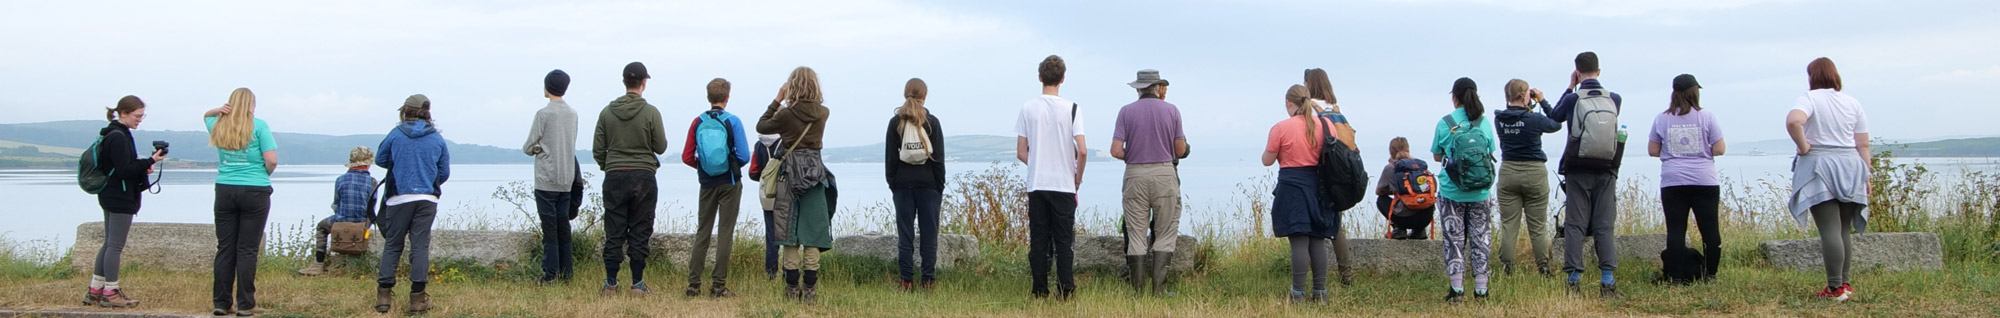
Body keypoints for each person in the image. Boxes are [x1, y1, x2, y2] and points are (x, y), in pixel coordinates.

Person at [1786, 58, 1869, 302]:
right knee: (1843, 229)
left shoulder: (1809, 98)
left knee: (1829, 230)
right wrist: (1867, 175)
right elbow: (1862, 143)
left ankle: (1834, 288)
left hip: (1821, 164)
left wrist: (1803, 146)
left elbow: (1794, 121)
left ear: (1812, 77)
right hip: (1852, 165)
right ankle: (1845, 283)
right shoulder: (1852, 102)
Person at [1548, 52, 1628, 298]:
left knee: (1575, 225)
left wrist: (1570, 87)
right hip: (1606, 168)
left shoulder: (1573, 99)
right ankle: (1608, 282)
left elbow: (1554, 118)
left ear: (1578, 72)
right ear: (1599, 71)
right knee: (1604, 225)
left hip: (1578, 168)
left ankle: (1573, 282)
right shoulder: (1614, 99)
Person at [761, 66, 836, 304]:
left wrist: (777, 100)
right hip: (815, 176)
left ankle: (792, 289)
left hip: (789, 176)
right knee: (813, 234)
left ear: (792, 86)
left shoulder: (785, 115)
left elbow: (762, 127)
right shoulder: (823, 112)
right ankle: (811, 291)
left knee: (788, 234)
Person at [593, 61, 669, 296]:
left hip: (615, 175)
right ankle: (637, 283)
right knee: (640, 228)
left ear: (624, 81)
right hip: (643, 176)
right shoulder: (651, 112)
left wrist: (610, 166)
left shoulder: (606, 112)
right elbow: (661, 146)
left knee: (614, 229)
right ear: (644, 83)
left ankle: (610, 282)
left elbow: (598, 149)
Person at [1111, 69, 1188, 296]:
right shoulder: (1172, 110)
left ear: (1138, 89)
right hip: (1164, 174)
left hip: (1134, 174)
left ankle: (1138, 290)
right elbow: (1180, 149)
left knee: (1135, 232)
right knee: (1165, 231)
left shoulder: (1125, 112)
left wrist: (1135, 154)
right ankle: (1159, 289)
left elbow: (1116, 150)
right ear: (1157, 88)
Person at [1016, 55, 1087, 300]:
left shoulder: (1027, 108)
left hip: (1037, 182)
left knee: (1038, 239)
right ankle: (1065, 288)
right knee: (1064, 241)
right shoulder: (1072, 109)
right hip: (1063, 183)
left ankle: (1039, 289)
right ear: (1063, 78)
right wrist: (1077, 175)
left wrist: (1037, 162)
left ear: (1040, 77)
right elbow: (1083, 149)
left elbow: (1021, 152)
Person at [373, 94, 451, 314]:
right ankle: (417, 299)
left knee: (393, 245)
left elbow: (380, 159)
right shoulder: (437, 139)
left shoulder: (396, 134)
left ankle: (384, 297)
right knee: (420, 246)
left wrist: (400, 165)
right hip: (427, 199)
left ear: (405, 111)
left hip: (399, 197)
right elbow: (443, 172)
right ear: (428, 113)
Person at [203, 88, 278, 317]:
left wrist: (219, 110)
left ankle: (221, 302)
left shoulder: (218, 124)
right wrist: (264, 174)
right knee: (247, 249)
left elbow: (206, 116)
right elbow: (271, 160)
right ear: (251, 104)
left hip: (224, 188)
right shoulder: (260, 125)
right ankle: (246, 304)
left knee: (225, 248)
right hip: (254, 189)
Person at [86, 95, 165, 308]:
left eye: (142, 116)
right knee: (115, 245)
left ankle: (95, 290)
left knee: (109, 243)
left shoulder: (113, 133)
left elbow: (122, 166)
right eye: (137, 116)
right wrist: (150, 161)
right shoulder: (119, 137)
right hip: (120, 196)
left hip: (109, 194)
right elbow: (123, 170)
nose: (140, 119)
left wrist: (143, 165)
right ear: (124, 113)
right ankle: (111, 292)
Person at [1263, 85, 1338, 304]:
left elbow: (1267, 160)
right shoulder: (1327, 125)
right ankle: (1321, 293)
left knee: (1298, 240)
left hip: (1292, 185)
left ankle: (1298, 294)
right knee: (1317, 239)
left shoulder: (1281, 128)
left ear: (1289, 103)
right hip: (1320, 186)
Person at [680, 78, 752, 297]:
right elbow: (744, 156)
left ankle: (693, 285)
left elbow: (686, 156)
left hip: (707, 183)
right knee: (725, 233)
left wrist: (703, 167)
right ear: (727, 98)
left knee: (703, 231)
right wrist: (729, 166)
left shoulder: (698, 121)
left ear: (708, 97)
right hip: (729, 182)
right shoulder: (733, 121)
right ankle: (718, 286)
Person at [1651, 74, 1726, 283]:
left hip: (1673, 180)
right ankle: (1710, 275)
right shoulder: (1707, 117)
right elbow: (1720, 148)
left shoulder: (1662, 118)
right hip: (1704, 180)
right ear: (1694, 92)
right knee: (1710, 230)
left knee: (1675, 230)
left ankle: (1675, 277)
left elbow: (1652, 150)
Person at [1432, 77, 1497, 303]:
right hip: (1480, 192)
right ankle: (1481, 290)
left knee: (1454, 240)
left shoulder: (1445, 122)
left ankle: (1457, 290)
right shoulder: (1484, 123)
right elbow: (1490, 150)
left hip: (1452, 191)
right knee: (1481, 239)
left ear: (1454, 97)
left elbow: (1437, 155)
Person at [1493, 79, 1561, 276]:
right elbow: (1556, 123)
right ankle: (1543, 267)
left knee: (1509, 224)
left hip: (1508, 171)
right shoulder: (1534, 119)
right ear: (1525, 95)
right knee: (1537, 225)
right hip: (1534, 172)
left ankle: (1506, 266)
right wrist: (1542, 101)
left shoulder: (1500, 119)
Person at [884, 78, 946, 292]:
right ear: (924, 96)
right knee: (929, 235)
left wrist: (893, 183)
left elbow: (891, 160)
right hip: (928, 186)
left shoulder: (895, 123)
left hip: (902, 186)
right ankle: (928, 281)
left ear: (905, 95)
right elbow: (939, 159)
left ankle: (906, 281)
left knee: (905, 235)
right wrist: (939, 186)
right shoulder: (932, 122)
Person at [523, 69, 581, 283]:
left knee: (549, 227)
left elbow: (529, 146)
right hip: (566, 176)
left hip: (546, 177)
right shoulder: (573, 114)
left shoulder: (543, 114)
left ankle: (550, 274)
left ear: (547, 87)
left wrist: (539, 148)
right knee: (563, 225)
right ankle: (567, 273)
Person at [1303, 68, 1358, 286]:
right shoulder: (1336, 109)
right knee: (1337, 226)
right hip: (1341, 172)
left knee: (1308, 225)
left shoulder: (1311, 109)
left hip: (1320, 171)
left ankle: (1310, 274)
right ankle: (1347, 274)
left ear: (1309, 84)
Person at [296, 147, 378, 277]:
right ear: (368, 164)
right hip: (362, 223)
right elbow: (371, 208)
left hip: (341, 220)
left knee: (321, 227)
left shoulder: (340, 179)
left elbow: (336, 204)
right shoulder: (372, 182)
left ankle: (318, 262)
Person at [1374, 137, 1434, 240]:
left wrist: (1396, 190)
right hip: (1425, 216)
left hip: (1403, 218)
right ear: (1408, 148)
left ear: (1390, 152)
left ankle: (1399, 229)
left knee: (1381, 200)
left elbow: (1379, 191)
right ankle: (1419, 231)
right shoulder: (1420, 166)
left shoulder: (1390, 168)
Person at [751, 133, 781, 280]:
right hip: (786, 193)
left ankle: (771, 272)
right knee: (788, 233)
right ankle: (789, 271)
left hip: (768, 194)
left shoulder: (759, 145)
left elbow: (753, 172)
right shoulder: (786, 142)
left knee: (771, 235)